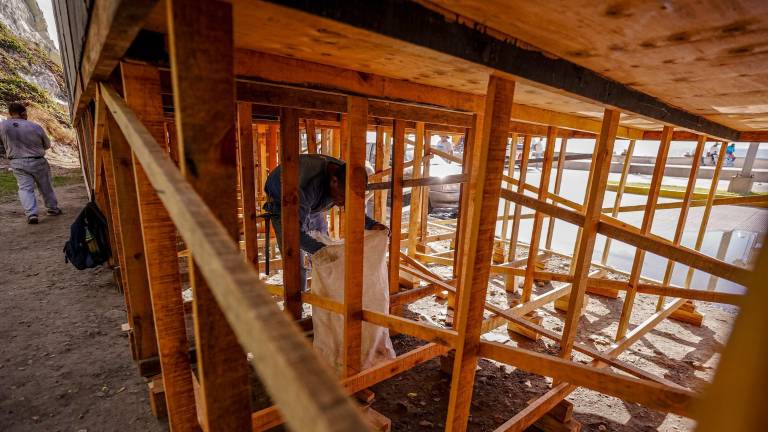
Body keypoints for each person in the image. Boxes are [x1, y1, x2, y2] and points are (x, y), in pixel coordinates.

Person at [264, 154, 387, 292]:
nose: (343, 204)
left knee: (326, 257)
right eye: (341, 198)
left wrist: (371, 224)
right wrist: (322, 250)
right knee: (295, 260)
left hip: (313, 205)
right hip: (284, 204)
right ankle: (295, 308)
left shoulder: (345, 177)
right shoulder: (305, 184)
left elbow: (353, 206)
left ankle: (327, 301)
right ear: (333, 181)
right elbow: (294, 234)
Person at [1, 102, 61, 224]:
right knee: (45, 186)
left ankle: (31, 214)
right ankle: (52, 209)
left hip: (17, 161)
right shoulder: (35, 126)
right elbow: (47, 145)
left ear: (11, 113)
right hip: (37, 160)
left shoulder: (2, 126)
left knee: (24, 188)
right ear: (23, 113)